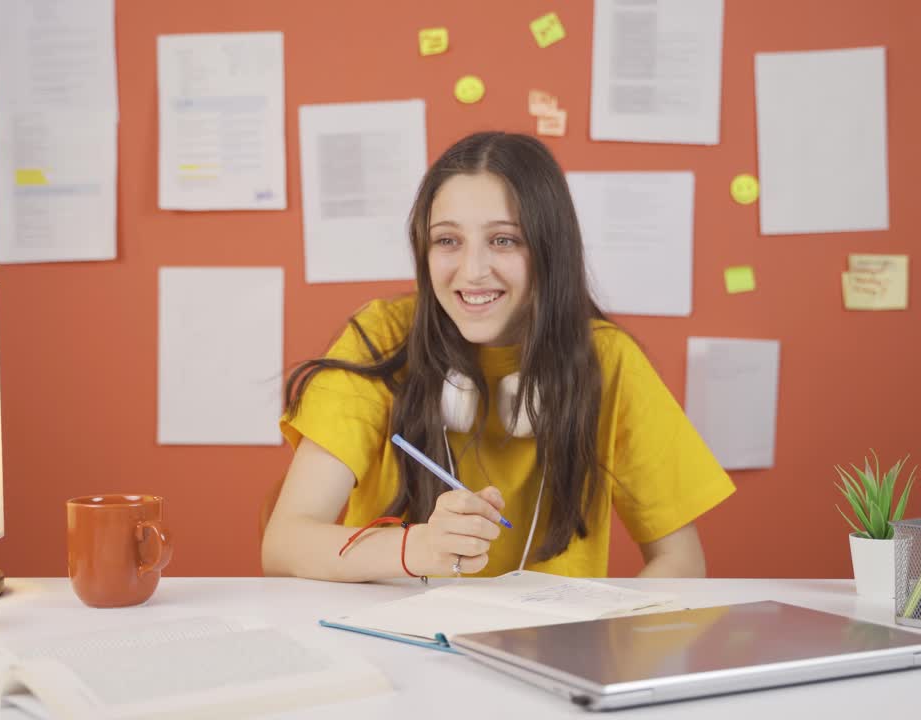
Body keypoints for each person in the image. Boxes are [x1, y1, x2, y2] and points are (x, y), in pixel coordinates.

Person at [261, 131, 734, 582]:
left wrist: (607, 631)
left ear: (549, 250)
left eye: (503, 240)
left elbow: (681, 562)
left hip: (554, 636)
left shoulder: (608, 359)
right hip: (393, 632)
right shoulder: (381, 336)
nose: (472, 271)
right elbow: (284, 543)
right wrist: (416, 547)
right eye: (448, 240)